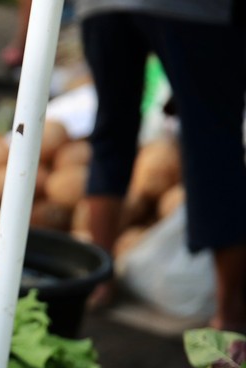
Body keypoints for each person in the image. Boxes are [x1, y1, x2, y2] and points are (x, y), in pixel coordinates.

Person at [75, 0, 246, 331]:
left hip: (102, 6)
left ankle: (98, 281)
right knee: (212, 142)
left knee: (112, 129)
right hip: (193, 9)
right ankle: (229, 311)